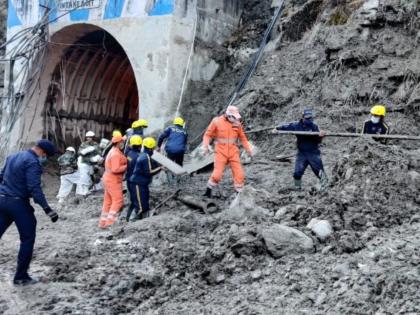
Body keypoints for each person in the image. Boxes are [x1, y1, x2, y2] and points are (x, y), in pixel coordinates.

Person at [0, 139, 59, 285]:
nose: (45, 159)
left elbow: (1, 176)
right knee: (27, 238)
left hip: (2, 200)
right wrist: (48, 209)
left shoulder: (12, 156)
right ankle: (21, 277)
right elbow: (34, 189)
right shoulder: (33, 163)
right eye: (46, 156)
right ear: (42, 152)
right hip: (18, 203)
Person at [202, 106, 253, 198]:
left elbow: (243, 138)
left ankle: (239, 194)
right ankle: (208, 191)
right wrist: (205, 146)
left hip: (233, 151)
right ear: (228, 115)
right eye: (234, 117)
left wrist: (248, 149)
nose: (236, 119)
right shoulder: (216, 121)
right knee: (217, 175)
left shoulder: (237, 124)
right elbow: (207, 135)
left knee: (239, 174)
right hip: (220, 151)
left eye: (237, 117)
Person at [273, 109, 328, 191]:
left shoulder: (314, 126)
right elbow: (286, 126)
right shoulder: (296, 125)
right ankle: (297, 188)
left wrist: (321, 136)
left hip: (313, 152)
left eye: (310, 118)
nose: (309, 120)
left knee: (319, 171)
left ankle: (325, 186)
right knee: (297, 172)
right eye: (307, 118)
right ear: (302, 118)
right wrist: (276, 129)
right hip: (302, 153)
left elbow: (318, 141)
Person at [130, 137, 163, 220]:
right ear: (151, 148)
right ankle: (135, 222)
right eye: (153, 148)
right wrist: (161, 168)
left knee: (145, 201)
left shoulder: (145, 155)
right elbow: (149, 172)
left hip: (142, 183)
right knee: (140, 205)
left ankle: (144, 220)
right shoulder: (145, 157)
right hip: (138, 183)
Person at [99, 135, 128, 228]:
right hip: (113, 179)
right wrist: (127, 166)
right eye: (122, 142)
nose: (123, 143)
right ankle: (110, 223)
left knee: (108, 201)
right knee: (118, 200)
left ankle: (103, 222)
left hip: (108, 178)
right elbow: (115, 169)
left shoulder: (112, 151)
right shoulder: (115, 154)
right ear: (119, 143)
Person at [76, 131, 99, 197]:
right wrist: (85, 150)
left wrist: (96, 158)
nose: (88, 138)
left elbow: (98, 152)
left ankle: (87, 189)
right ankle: (83, 191)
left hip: (92, 163)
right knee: (84, 176)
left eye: (90, 137)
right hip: (84, 162)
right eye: (87, 137)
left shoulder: (96, 144)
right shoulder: (83, 144)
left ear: (93, 138)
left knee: (91, 177)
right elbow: (79, 152)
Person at [125, 135, 142, 221]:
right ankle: (134, 218)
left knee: (133, 200)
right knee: (136, 200)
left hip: (129, 179)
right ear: (140, 145)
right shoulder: (138, 157)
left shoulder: (130, 153)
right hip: (135, 181)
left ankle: (127, 218)